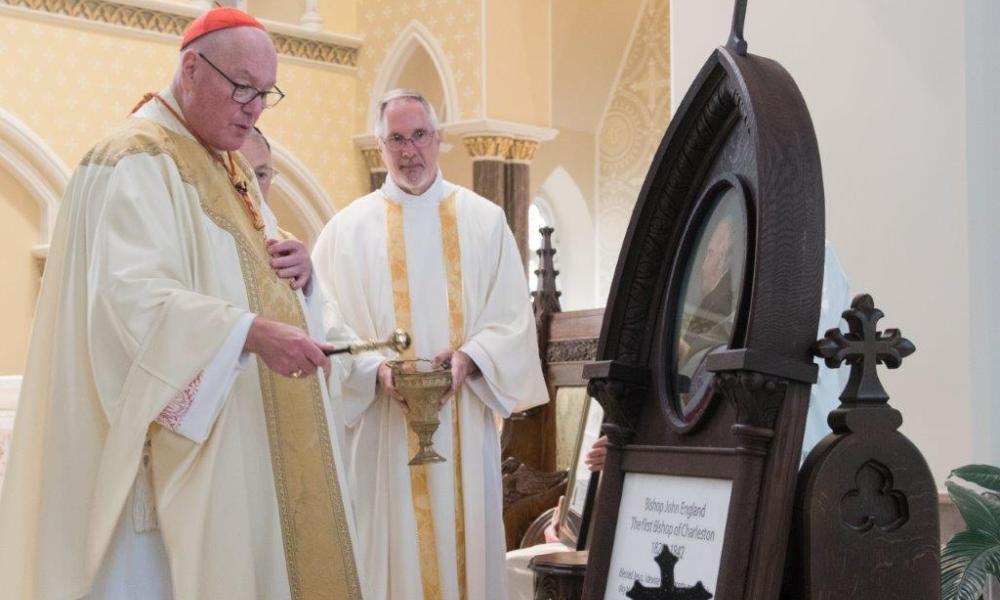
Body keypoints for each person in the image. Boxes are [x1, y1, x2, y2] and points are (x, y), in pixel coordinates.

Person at [0, 8, 362, 600]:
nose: (254, 108)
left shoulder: (232, 168)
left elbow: (258, 278)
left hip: (238, 449)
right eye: (242, 87)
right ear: (191, 69)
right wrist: (248, 333)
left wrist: (303, 277)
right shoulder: (132, 159)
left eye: (266, 93)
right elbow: (130, 305)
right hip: (161, 468)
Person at [312, 88, 548, 600]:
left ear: (438, 139)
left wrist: (468, 359)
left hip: (461, 421)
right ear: (380, 148)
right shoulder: (344, 232)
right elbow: (323, 326)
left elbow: (512, 318)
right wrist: (376, 371)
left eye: (419, 135)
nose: (409, 150)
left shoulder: (484, 221)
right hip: (382, 431)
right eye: (395, 139)